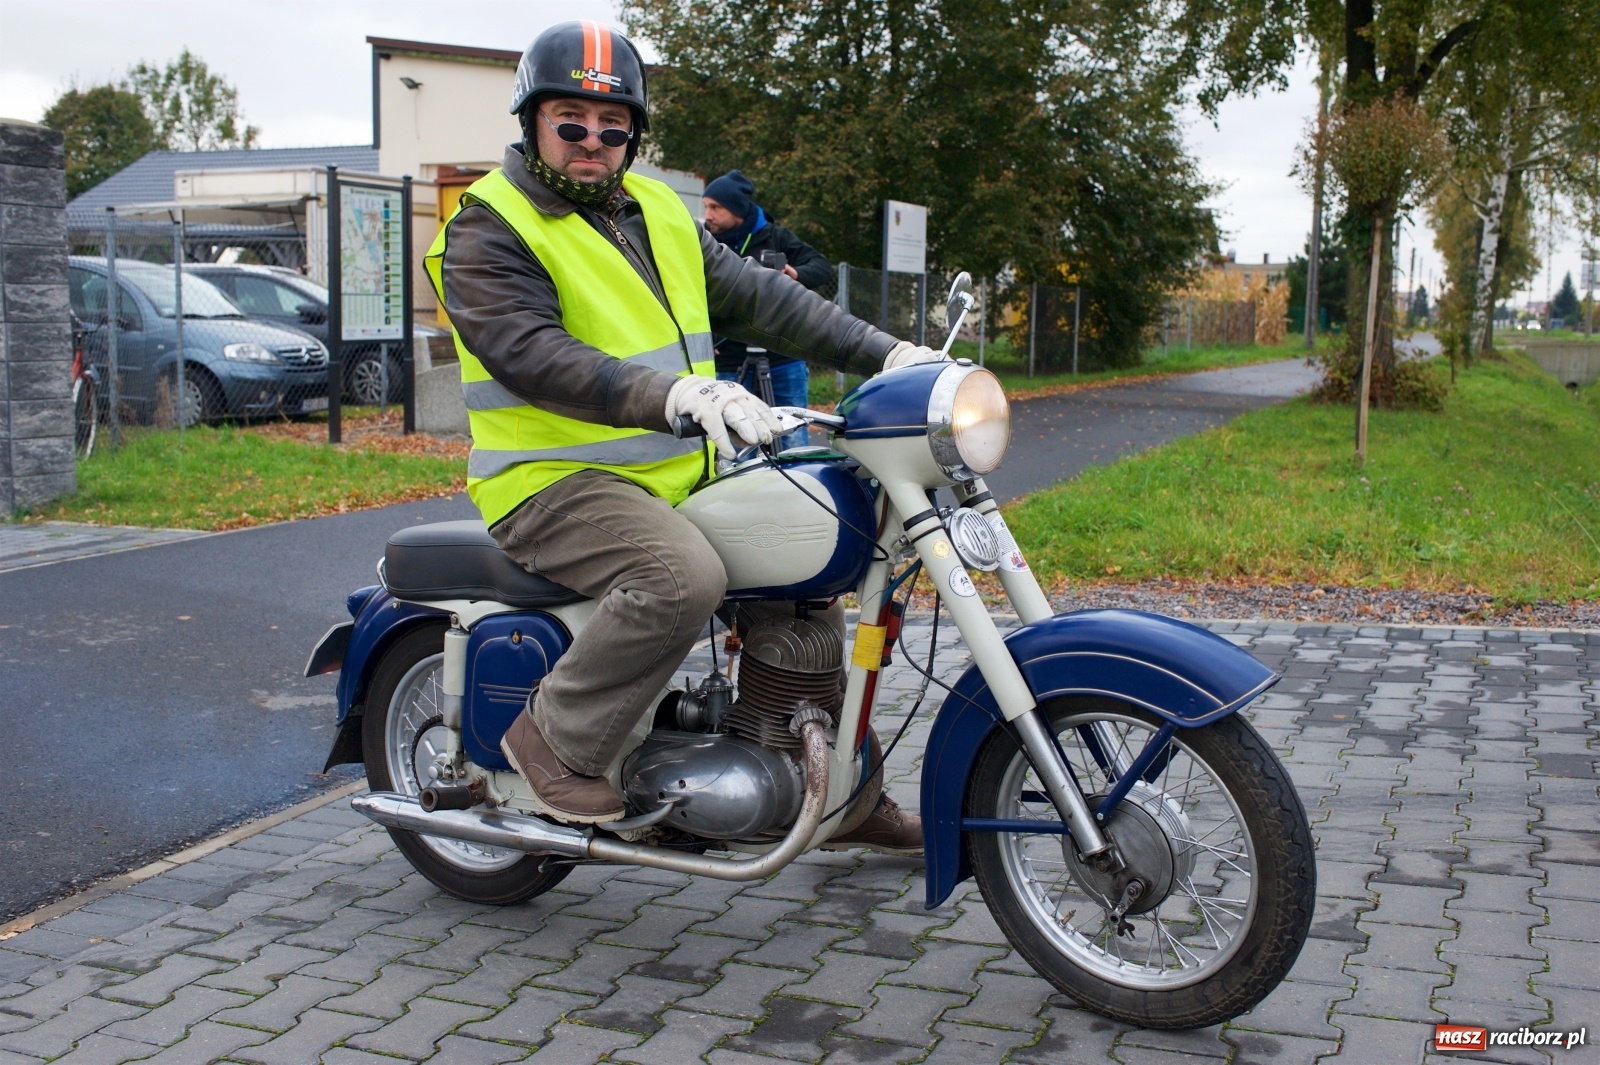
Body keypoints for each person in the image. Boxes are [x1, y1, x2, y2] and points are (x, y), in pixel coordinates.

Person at [424, 21, 942, 854]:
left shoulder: (658, 209)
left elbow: (770, 302)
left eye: (613, 126)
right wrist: (673, 394)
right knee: (680, 577)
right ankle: (550, 740)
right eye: (571, 123)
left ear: (633, 134)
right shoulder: (490, 226)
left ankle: (838, 788)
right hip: (551, 480)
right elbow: (531, 352)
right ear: (532, 123)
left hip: (674, 474)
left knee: (824, 546)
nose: (593, 141)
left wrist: (892, 353)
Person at [702, 170, 830, 449]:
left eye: (715, 207)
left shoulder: (776, 237)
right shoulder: (707, 243)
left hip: (783, 355)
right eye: (706, 207)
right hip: (729, 357)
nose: (707, 215)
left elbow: (821, 267)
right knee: (734, 445)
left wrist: (793, 274)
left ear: (737, 210)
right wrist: (705, 338)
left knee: (793, 440)